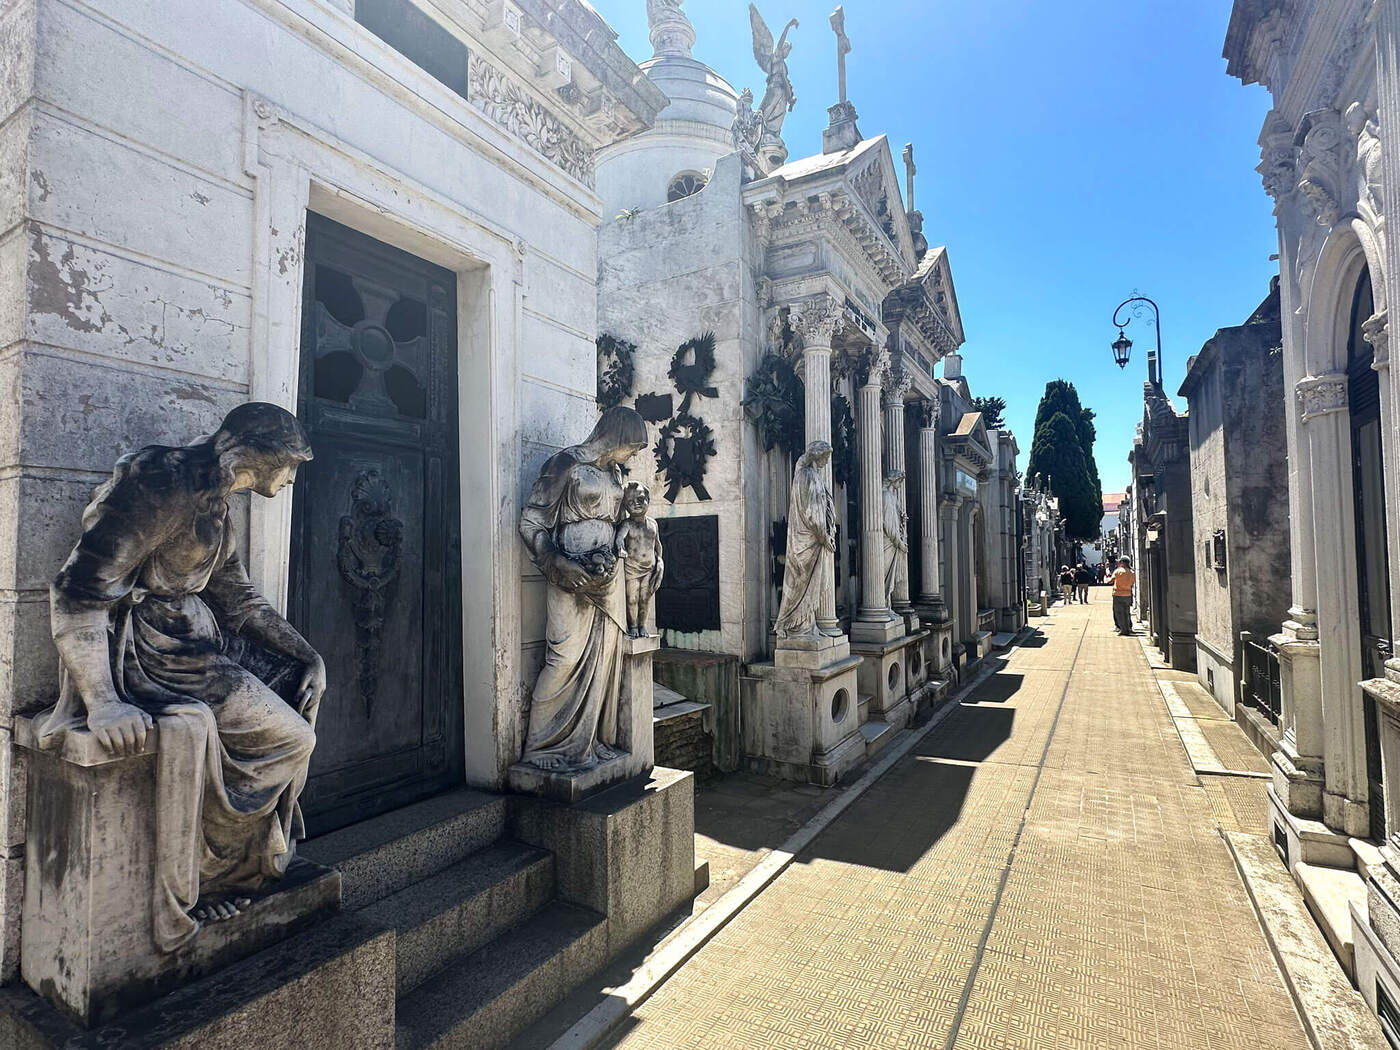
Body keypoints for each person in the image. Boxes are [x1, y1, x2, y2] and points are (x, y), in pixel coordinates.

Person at [43, 402, 323, 951]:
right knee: (292, 738)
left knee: (296, 712)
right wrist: (102, 701)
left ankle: (229, 868)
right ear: (254, 456)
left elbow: (237, 597)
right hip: (151, 657)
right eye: (287, 466)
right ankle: (211, 872)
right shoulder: (163, 483)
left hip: (195, 650)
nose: (290, 479)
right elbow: (78, 591)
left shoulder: (215, 503)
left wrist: (307, 654)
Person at [518, 406, 650, 772]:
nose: (634, 455)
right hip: (569, 574)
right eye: (633, 447)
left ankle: (587, 743)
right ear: (617, 437)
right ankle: (542, 745)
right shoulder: (566, 464)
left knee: (604, 662)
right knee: (564, 657)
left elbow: (624, 522)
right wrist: (555, 560)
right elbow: (531, 520)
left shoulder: (615, 474)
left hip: (608, 576)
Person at [1112, 557, 1137, 635]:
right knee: (1126, 612)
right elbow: (1133, 583)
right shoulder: (1132, 572)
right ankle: (1128, 628)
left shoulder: (1118, 571)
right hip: (1128, 594)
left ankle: (1123, 630)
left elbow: (1111, 580)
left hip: (1118, 594)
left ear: (1122, 562)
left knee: (1119, 613)